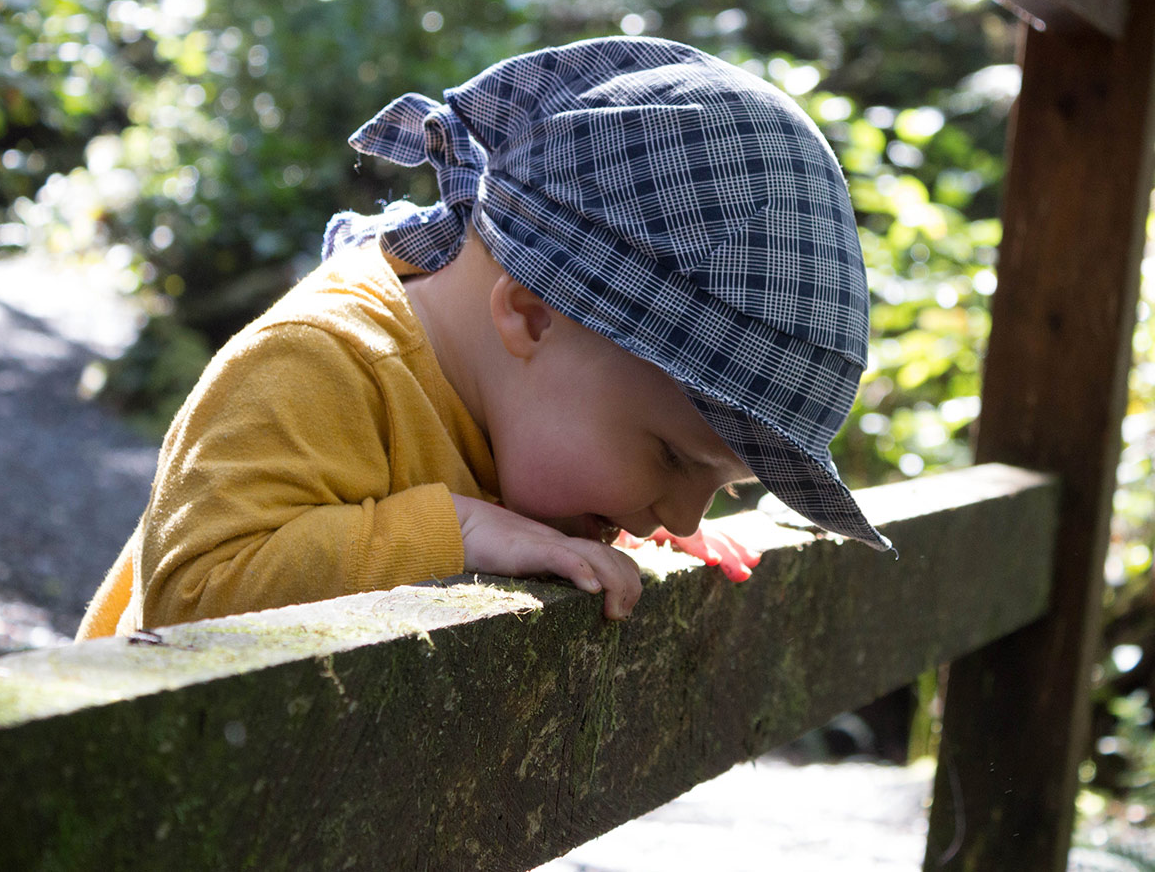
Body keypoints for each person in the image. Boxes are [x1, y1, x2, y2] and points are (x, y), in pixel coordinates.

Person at [77, 36, 892, 641]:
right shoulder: (314, 362)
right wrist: (459, 533)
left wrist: (641, 512)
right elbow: (191, 594)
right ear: (531, 313)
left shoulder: (522, 404)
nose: (677, 514)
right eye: (674, 458)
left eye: (722, 483)